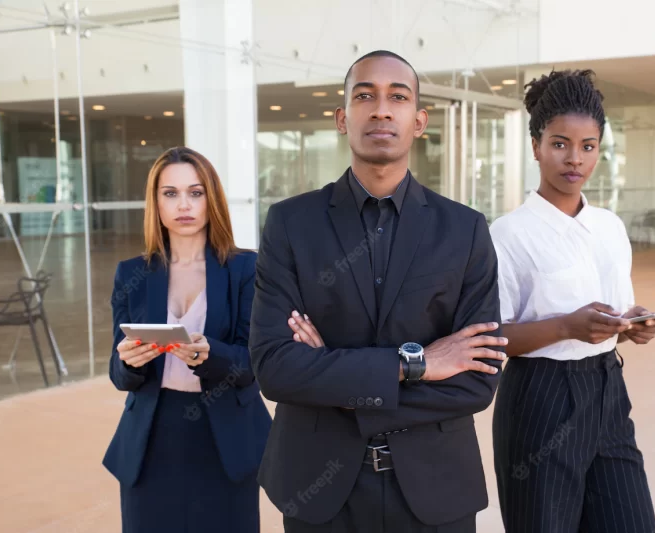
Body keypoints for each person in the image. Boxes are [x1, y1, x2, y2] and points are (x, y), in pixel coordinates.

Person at [249, 50, 507, 533]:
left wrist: (335, 379)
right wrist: (418, 365)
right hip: (319, 489)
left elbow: (477, 378)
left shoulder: (465, 229)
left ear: (419, 121)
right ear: (343, 119)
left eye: (398, 97)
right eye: (365, 95)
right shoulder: (291, 224)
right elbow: (276, 369)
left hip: (435, 490)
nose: (381, 108)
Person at [490, 69, 655, 533]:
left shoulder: (610, 227)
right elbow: (490, 337)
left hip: (608, 392)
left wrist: (636, 322)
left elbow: (618, 309)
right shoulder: (507, 236)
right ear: (536, 145)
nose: (575, 159)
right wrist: (566, 327)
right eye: (560, 143)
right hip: (540, 400)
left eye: (588, 146)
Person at [103, 147, 271, 533]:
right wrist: (129, 360)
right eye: (170, 193)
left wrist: (212, 356)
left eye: (195, 193)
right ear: (155, 202)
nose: (184, 205)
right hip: (152, 437)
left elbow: (256, 362)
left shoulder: (246, 269)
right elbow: (118, 376)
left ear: (211, 199)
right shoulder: (132, 273)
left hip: (226, 436)